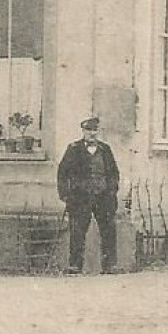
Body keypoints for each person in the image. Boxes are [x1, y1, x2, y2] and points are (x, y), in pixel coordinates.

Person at [56, 116, 120, 274]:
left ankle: (110, 265)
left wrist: (111, 191)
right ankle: (75, 265)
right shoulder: (73, 149)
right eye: (88, 130)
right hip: (80, 198)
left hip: (103, 197)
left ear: (98, 131)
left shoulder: (105, 150)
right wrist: (65, 194)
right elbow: (62, 173)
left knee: (108, 230)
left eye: (95, 130)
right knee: (77, 231)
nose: (92, 133)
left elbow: (113, 173)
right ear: (83, 131)